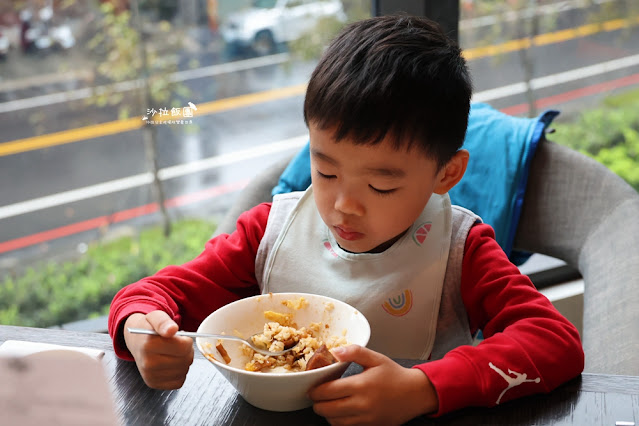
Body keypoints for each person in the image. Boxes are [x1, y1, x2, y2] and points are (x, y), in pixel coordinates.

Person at [109, 15, 584, 425]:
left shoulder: (461, 250)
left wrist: (423, 388)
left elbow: (555, 343)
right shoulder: (269, 232)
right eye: (326, 171)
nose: (342, 206)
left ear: (446, 173)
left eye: (381, 186)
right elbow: (150, 295)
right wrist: (141, 331)